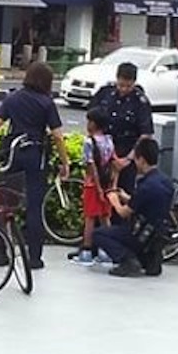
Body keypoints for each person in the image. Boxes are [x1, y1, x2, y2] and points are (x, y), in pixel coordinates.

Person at [0, 62, 70, 270]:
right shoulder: (46, 102)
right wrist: (65, 162)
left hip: (13, 154)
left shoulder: (13, 98)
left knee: (6, 202)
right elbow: (57, 136)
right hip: (35, 155)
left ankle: (0, 253)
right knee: (34, 206)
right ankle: (34, 257)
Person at [92, 138, 174, 277]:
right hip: (158, 235)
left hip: (140, 234)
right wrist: (126, 197)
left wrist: (114, 200)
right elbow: (148, 202)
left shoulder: (145, 185)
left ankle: (128, 260)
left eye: (136, 160)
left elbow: (124, 213)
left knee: (99, 234)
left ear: (141, 159)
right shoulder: (166, 182)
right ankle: (149, 259)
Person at [87, 62, 154, 222]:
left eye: (128, 86)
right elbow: (91, 118)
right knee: (98, 195)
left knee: (121, 193)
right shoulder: (105, 93)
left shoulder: (140, 101)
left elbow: (146, 134)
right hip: (103, 150)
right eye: (121, 85)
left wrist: (128, 159)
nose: (123, 89)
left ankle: (118, 231)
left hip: (126, 152)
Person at [69, 107, 115, 266]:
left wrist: (97, 187)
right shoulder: (109, 140)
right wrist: (109, 186)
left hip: (92, 185)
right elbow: (113, 164)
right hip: (107, 184)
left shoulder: (89, 142)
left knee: (89, 218)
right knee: (105, 217)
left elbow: (91, 166)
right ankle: (106, 251)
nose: (87, 124)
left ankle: (87, 251)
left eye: (89, 121)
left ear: (94, 124)